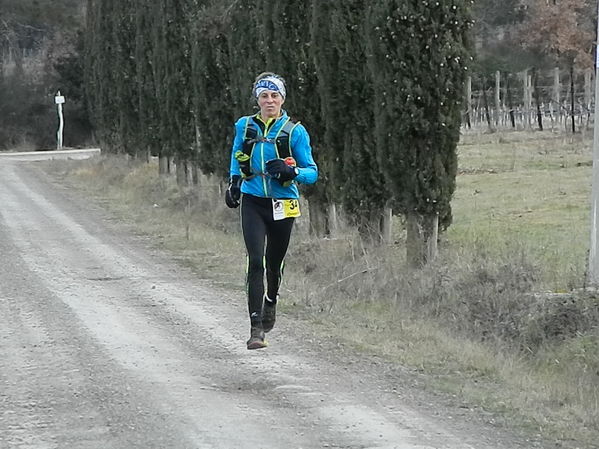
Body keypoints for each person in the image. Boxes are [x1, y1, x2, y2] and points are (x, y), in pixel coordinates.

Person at [225, 72, 318, 350]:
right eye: (264, 96)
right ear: (257, 99)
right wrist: (233, 182)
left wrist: (293, 171)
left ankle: (271, 300)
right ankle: (255, 329)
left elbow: (312, 173)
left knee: (273, 264)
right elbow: (235, 155)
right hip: (253, 200)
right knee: (256, 261)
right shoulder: (244, 126)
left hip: (283, 203)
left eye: (274, 96)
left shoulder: (295, 131)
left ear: (282, 99)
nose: (269, 101)